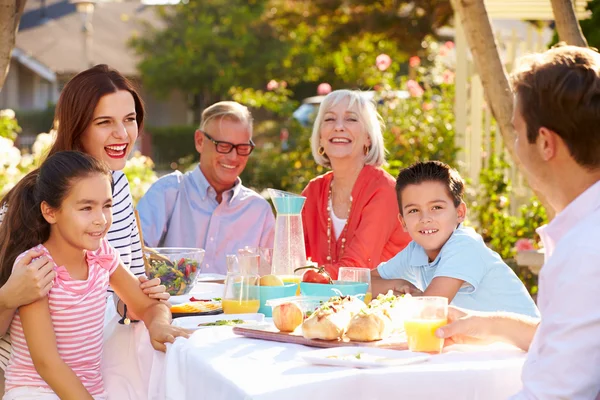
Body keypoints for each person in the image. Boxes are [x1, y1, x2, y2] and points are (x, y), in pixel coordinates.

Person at [435, 45, 600, 399]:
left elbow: (554, 395)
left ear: (544, 142)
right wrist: (492, 325)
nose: (514, 149)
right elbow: (581, 344)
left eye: (515, 131)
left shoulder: (586, 250)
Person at [0, 64, 167, 390]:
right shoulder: (34, 198)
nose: (123, 134)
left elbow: (124, 290)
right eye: (105, 122)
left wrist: (139, 302)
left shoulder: (115, 184)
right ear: (77, 128)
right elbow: (41, 356)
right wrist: (6, 298)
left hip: (92, 362)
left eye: (130, 119)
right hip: (30, 379)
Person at [0, 151, 189, 399]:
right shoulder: (37, 268)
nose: (101, 219)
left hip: (88, 391)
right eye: (86, 208)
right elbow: (47, 364)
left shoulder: (102, 255)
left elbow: (147, 305)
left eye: (107, 206)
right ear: (50, 212)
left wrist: (159, 325)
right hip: (36, 391)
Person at [374, 161, 539, 317]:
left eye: (436, 207)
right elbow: (357, 284)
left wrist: (403, 296)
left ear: (460, 213)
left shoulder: (464, 245)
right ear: (402, 222)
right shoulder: (416, 250)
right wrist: (396, 284)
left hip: (525, 345)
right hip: (479, 344)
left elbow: (429, 312)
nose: (425, 218)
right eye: (414, 210)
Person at [137, 101, 275, 275]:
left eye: (242, 148)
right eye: (223, 146)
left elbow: (270, 282)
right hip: (171, 302)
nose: (233, 157)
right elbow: (133, 257)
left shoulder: (259, 211)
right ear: (200, 141)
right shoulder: (167, 193)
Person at [302, 89, 412, 280]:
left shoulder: (384, 190)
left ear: (368, 137)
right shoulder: (312, 191)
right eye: (329, 119)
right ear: (320, 137)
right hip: (325, 303)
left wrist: (303, 276)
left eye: (351, 119)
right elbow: (287, 257)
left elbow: (357, 268)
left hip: (385, 305)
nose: (338, 127)